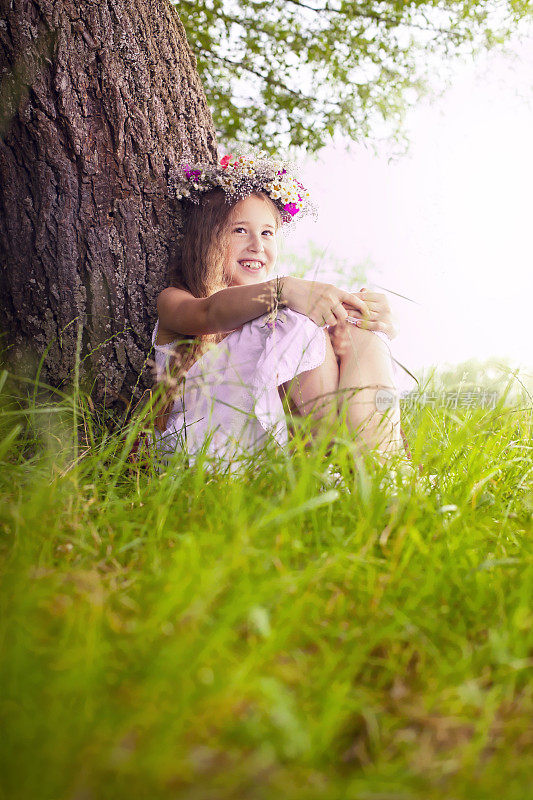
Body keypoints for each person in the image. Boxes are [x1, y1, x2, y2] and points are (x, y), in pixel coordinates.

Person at [150, 151, 403, 468]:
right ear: (206, 238)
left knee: (358, 333)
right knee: (293, 320)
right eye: (240, 230)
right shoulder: (176, 299)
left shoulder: (272, 314)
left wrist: (358, 315)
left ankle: (384, 471)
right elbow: (210, 313)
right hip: (208, 449)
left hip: (272, 441)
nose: (257, 244)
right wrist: (284, 289)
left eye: (267, 232)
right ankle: (329, 461)